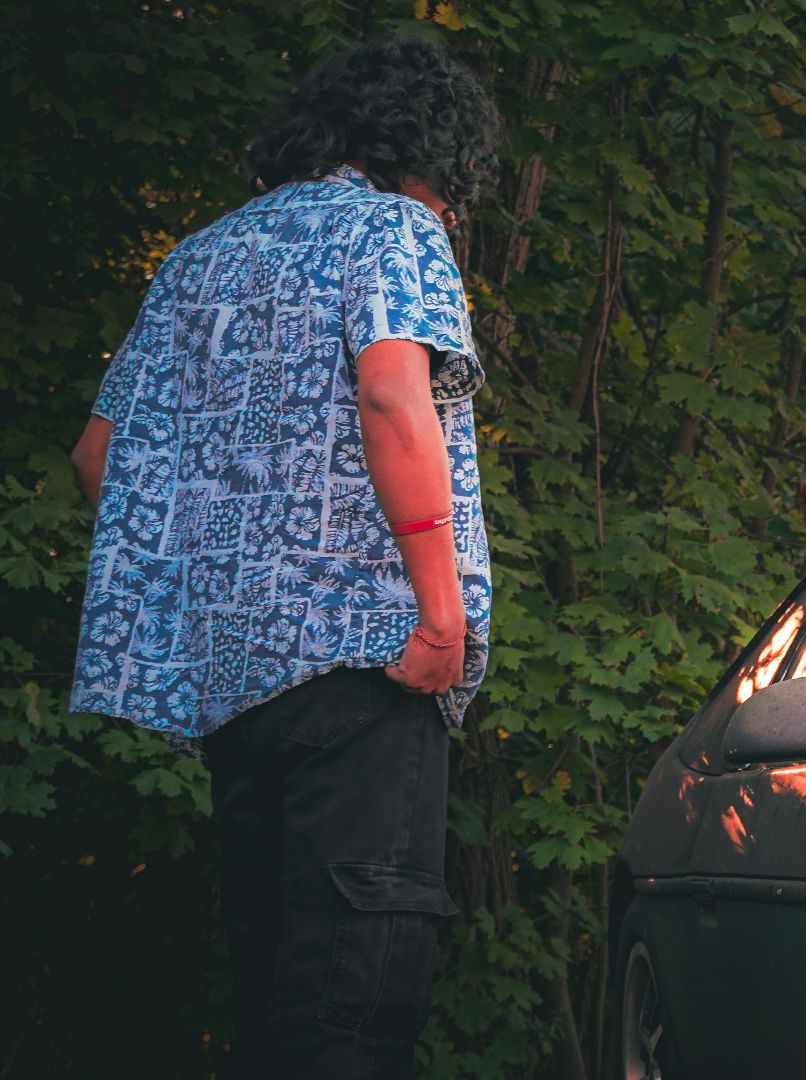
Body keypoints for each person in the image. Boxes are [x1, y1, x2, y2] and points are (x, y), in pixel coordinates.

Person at [66, 36, 500, 1079]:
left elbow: (100, 455)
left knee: (276, 996)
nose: (456, 208)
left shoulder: (201, 256)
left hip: (237, 687)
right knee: (356, 1001)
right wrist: (442, 614)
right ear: (429, 151)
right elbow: (394, 392)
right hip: (369, 660)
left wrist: (215, 583)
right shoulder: (390, 229)